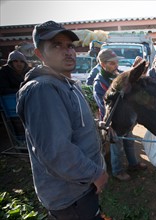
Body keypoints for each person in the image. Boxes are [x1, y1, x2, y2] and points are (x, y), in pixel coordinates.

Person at [16, 20, 108, 219]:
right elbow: (57, 151)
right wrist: (96, 174)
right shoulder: (43, 89)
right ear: (39, 53)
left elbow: (72, 124)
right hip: (70, 197)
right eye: (56, 45)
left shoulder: (65, 84)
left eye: (69, 46)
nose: (68, 52)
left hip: (80, 187)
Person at [93, 48, 147, 181]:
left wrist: (135, 69)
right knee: (116, 146)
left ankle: (133, 164)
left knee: (129, 142)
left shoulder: (117, 75)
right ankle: (117, 171)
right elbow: (104, 105)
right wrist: (109, 124)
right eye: (112, 63)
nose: (116, 66)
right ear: (103, 64)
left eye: (116, 62)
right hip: (113, 121)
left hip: (125, 118)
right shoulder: (99, 83)